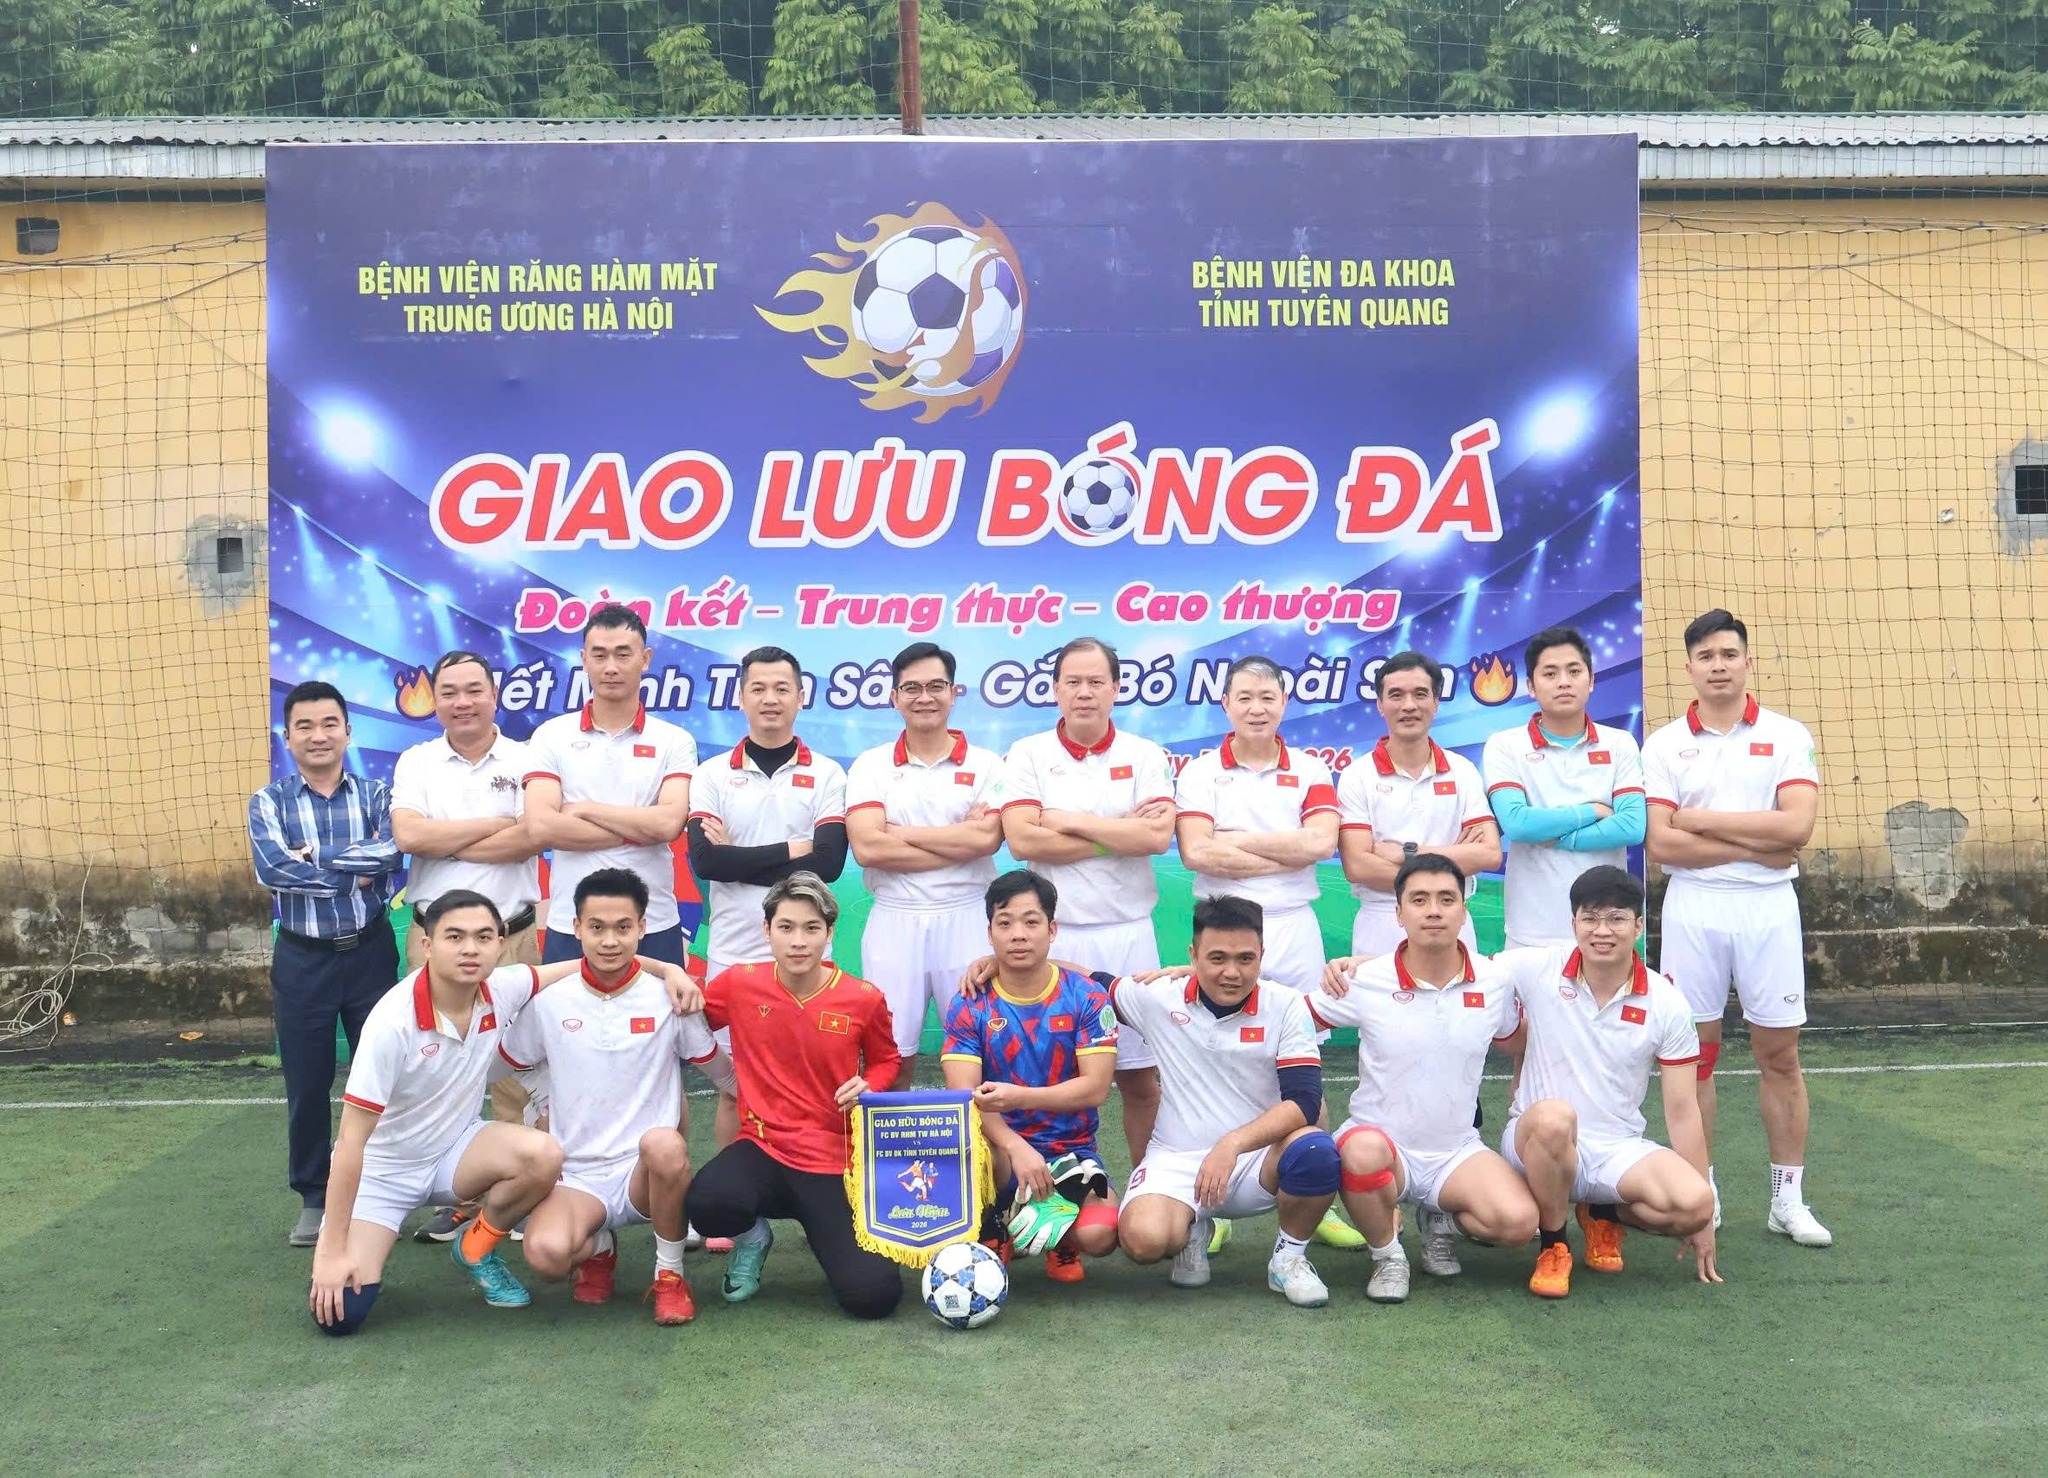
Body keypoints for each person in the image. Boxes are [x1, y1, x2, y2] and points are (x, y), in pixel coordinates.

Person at [306, 889, 703, 1335]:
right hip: (386, 1173)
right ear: (427, 945)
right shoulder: (391, 1023)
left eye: (483, 937)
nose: (470, 949)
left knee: (543, 1154)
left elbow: (599, 961)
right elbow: (350, 1143)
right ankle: (351, 1250)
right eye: (455, 937)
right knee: (342, 1314)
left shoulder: (504, 987)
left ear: (499, 944)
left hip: (457, 1152)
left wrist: (669, 970)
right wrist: (330, 1251)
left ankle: (475, 1248)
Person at [1644, 609, 1829, 1247]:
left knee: (1779, 1055)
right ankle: (1704, 1191)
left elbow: (1796, 828)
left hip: (1768, 908)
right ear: (1689, 667)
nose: (1718, 666)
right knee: (1694, 1057)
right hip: (1693, 907)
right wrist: (1757, 843)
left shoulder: (1786, 734)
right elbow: (1662, 845)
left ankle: (1787, 1200)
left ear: (1747, 661)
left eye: (1729, 654)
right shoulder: (1663, 744)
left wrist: (1701, 820)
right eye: (1706, 656)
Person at [1174, 653, 1361, 1252]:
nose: (1256, 708)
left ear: (1284, 702)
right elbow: (1197, 853)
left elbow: (1322, 844)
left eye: (1267, 697)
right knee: (1218, 1063)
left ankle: (1313, 1197)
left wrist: (1239, 842)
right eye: (1244, 697)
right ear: (1226, 704)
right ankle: (1216, 1202)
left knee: (1304, 1064)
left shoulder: (1309, 768)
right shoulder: (1201, 772)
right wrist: (1285, 848)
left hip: (1291, 928)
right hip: (1224, 933)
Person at [501, 869, 735, 1326]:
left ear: (643, 928)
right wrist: (541, 1099)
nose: (610, 940)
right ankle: (600, 1247)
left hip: (643, 1173)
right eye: (597, 927)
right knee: (546, 1256)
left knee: (665, 1144)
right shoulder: (549, 1001)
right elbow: (506, 1063)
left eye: (623, 927)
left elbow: (723, 1074)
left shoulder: (669, 998)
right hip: (578, 1175)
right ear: (576, 928)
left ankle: (669, 1275)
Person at [1313, 854, 1536, 1304]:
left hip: (1455, 1150)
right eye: (1419, 900)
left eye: (1446, 899)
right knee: (1360, 1152)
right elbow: (1284, 1019)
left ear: (1463, 910)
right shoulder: (1363, 979)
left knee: (1518, 1224)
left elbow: (1516, 1040)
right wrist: (1196, 978)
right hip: (1380, 1145)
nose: (1433, 910)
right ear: (1399, 913)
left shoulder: (1494, 980)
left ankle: (1440, 1219)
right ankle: (1388, 1256)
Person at [683, 873, 904, 1319]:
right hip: (763, 1147)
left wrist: (872, 1084)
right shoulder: (739, 984)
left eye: (811, 928)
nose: (798, 941)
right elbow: (690, 1012)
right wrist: (671, 973)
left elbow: (887, 1060)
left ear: (829, 933)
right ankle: (753, 1238)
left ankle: (826, 1228)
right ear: (767, 930)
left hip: (833, 1160)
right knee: (706, 1203)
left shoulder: (862, 998)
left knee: (874, 1297)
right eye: (786, 927)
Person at [1493, 866, 1719, 1299]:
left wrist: (1704, 1219)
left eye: (1616, 919)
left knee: (1694, 1204)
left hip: (1618, 1149)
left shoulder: (1667, 1002)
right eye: (1590, 918)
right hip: (1535, 1140)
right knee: (1555, 1119)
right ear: (1573, 923)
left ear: (1638, 926)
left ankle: (1601, 1212)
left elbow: (1682, 1110)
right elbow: (1457, 965)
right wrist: (1366, 965)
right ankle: (1554, 1245)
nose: (1602, 931)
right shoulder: (1537, 966)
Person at [1109, 895, 1342, 1309]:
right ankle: (1192, 1231)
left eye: (1245, 959)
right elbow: (1085, 980)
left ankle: (1288, 1259)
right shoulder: (1158, 996)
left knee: (1315, 1149)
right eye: (1216, 958)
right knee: (1142, 1242)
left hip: (1258, 1160)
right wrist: (1000, 964)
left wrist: (1231, 1144)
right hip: (1177, 1159)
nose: (1232, 972)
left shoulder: (1286, 1005)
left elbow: (1305, 1102)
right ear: (1193, 955)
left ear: (1261, 956)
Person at [997, 636, 1174, 1167]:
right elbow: (1022, 840)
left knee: (1140, 1079)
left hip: (1129, 933)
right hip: (1059, 938)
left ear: (1116, 688)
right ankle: (1043, 1191)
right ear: (1055, 689)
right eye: (1072, 681)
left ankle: (1149, 1187)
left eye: (1096, 681)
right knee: (1048, 1076)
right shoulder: (1029, 753)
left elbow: (1155, 837)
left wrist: (1067, 820)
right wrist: (1115, 833)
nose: (1084, 692)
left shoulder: (1143, 754)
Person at [391, 649, 545, 1243]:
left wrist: (447, 842)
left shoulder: (529, 758)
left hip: (513, 936)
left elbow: (531, 837)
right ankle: (454, 1193)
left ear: (494, 694)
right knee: (435, 1067)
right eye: (449, 692)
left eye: (473, 689)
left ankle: (512, 1196)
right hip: (433, 942)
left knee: (516, 1068)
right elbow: (409, 835)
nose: (462, 702)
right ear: (435, 701)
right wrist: (494, 826)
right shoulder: (417, 760)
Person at [249, 679, 404, 1247]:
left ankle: (379, 1192)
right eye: (305, 726)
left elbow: (392, 852)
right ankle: (315, 1197)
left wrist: (316, 856)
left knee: (383, 1078)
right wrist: (350, 873)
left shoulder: (378, 795)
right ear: (287, 737)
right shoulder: (269, 802)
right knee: (307, 1084)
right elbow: (273, 870)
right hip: (302, 959)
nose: (319, 736)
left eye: (329, 724)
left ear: (348, 732)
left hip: (370, 953)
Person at [687, 645, 850, 1165]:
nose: (770, 699)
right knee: (734, 1088)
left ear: (801, 697)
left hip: (806, 952)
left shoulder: (828, 773)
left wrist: (740, 858)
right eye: (758, 688)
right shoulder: (712, 773)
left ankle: (815, 1181)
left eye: (782, 688)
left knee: (814, 1081)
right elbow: (706, 862)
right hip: (734, 952)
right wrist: (794, 849)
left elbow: (828, 865)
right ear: (741, 697)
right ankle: (731, 1198)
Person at [941, 870, 1119, 1284]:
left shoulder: (1086, 996)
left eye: (1031, 922)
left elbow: (1094, 1089)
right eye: (1005, 923)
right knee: (985, 1153)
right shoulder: (969, 1003)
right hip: (998, 1150)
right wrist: (1015, 1146)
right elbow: (964, 1095)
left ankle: (1060, 1232)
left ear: (1052, 930)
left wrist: (1019, 1096)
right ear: (990, 933)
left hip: (1069, 1150)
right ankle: (996, 1223)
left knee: (1100, 1235)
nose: (1018, 934)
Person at [847, 642, 1003, 1068]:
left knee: (981, 1055)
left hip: (968, 916)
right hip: (895, 919)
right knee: (890, 1057)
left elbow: (987, 840)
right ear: (894, 697)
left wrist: (901, 833)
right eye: (911, 688)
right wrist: (960, 839)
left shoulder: (988, 764)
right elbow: (868, 847)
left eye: (936, 686)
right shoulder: (870, 765)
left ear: (954, 693)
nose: (925, 697)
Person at [523, 604, 696, 968]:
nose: (611, 667)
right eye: (599, 655)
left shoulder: (674, 740)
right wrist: (639, 829)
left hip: (653, 921)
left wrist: (584, 809)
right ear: (584, 660)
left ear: (645, 659)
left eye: (623, 654)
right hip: (572, 924)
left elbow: (668, 824)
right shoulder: (551, 736)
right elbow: (541, 827)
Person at [1481, 627, 1646, 949]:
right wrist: (1592, 811)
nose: (1564, 682)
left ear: (1591, 680)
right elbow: (1517, 823)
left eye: (1574, 671)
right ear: (1531, 686)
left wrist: (1559, 837)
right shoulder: (1505, 745)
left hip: (1605, 931)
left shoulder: (1620, 743)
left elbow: (1632, 826)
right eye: (1550, 673)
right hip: (1532, 930)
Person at [1336, 652, 1500, 956]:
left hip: (1452, 918)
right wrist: (1451, 862)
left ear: (1436, 702)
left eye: (1420, 694)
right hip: (1382, 920)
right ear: (1380, 704)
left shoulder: (1462, 770)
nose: (1409, 705)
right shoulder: (1357, 775)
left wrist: (1406, 854)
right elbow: (1357, 865)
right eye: (1396, 695)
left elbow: (1489, 854)